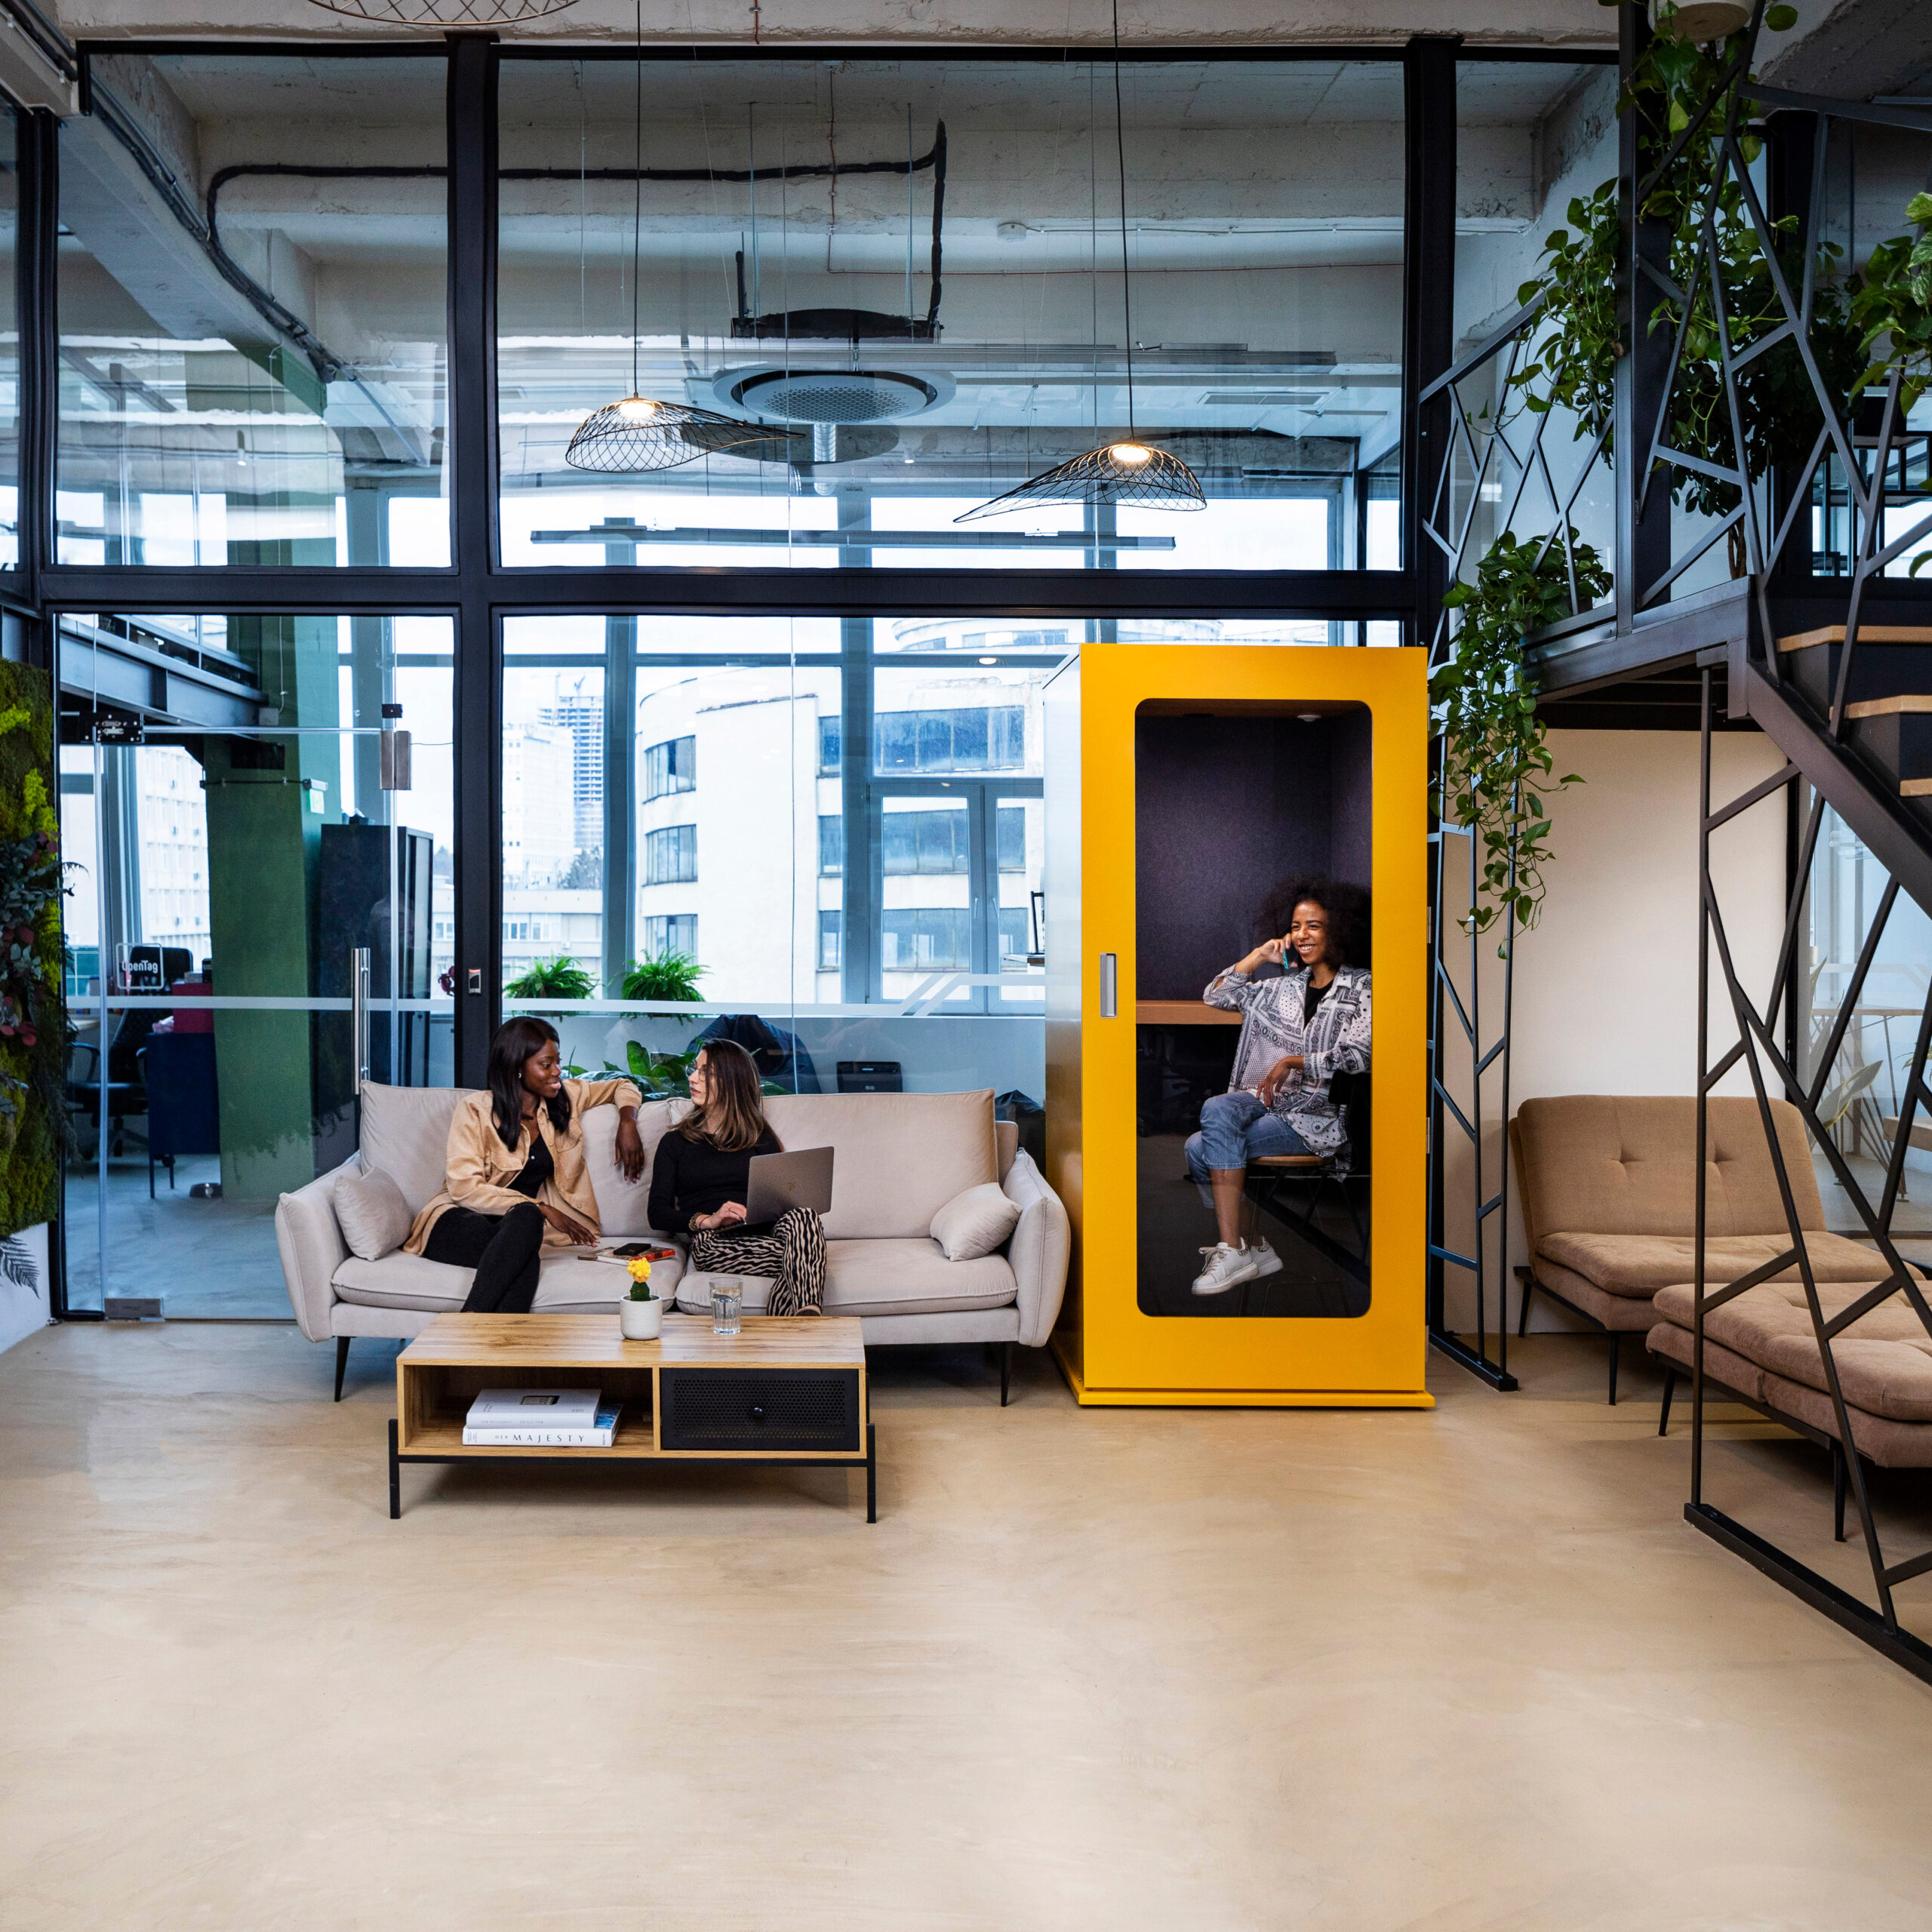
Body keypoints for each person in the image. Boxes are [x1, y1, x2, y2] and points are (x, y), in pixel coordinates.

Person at [1186, 875, 1372, 1297]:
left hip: (1318, 1118)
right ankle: (1242, 1248)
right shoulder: (1282, 986)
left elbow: (1362, 1054)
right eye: (1295, 927)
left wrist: (1294, 1061)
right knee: (1215, 1113)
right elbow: (1216, 995)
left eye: (1314, 926)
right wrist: (1258, 956)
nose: (1302, 935)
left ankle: (1244, 1248)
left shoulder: (1362, 986)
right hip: (1272, 1105)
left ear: (1339, 929)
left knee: (1199, 1148)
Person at [401, 1017, 645, 1314]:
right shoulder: (476, 1110)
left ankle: (469, 1326)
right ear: (517, 1067)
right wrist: (543, 1209)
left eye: (557, 1061)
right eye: (546, 1064)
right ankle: (483, 1332)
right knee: (527, 1230)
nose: (557, 1071)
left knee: (524, 1241)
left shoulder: (565, 1098)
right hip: (454, 1222)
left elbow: (622, 1085)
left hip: (517, 1229)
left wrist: (628, 1122)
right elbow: (464, 1189)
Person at [648, 1038, 827, 1317]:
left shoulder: (760, 1137)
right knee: (806, 1252)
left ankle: (806, 1315)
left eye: (706, 1073)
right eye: (694, 1069)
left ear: (732, 1081)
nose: (693, 1078)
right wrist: (708, 1220)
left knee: (805, 1215)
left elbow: (781, 1200)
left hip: (764, 1234)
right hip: (712, 1241)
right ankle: (809, 1313)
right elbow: (657, 1213)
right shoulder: (675, 1143)